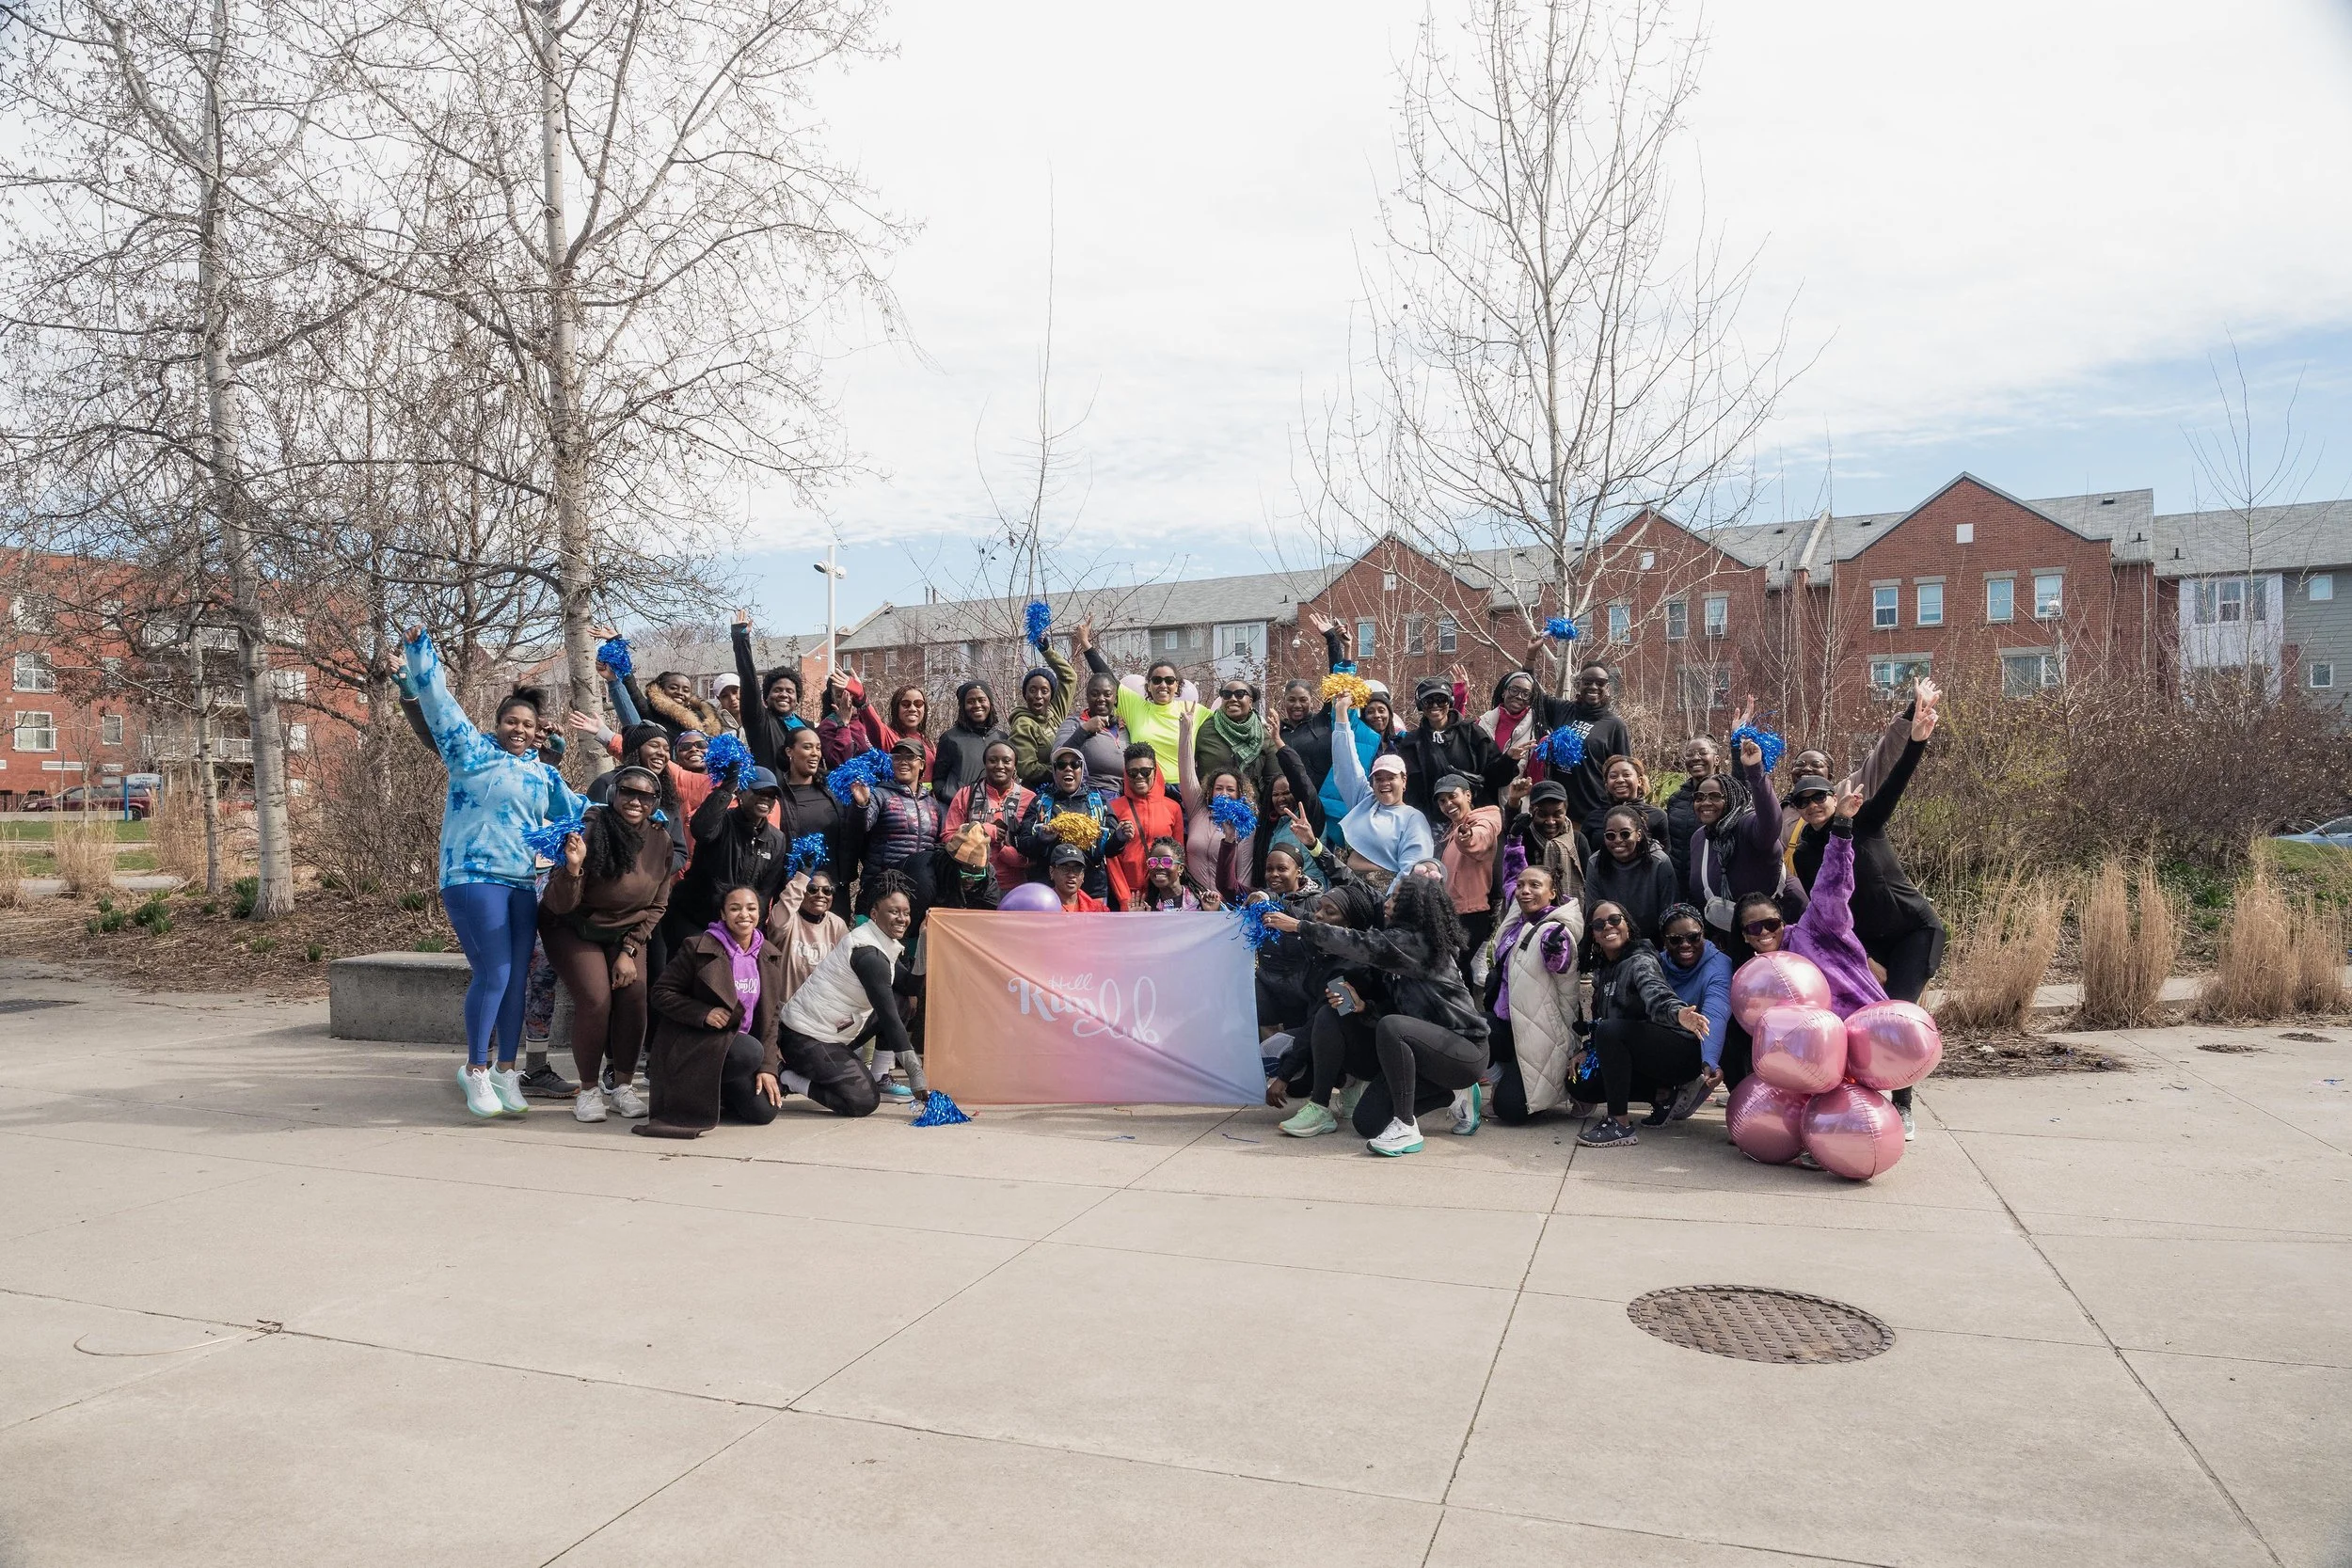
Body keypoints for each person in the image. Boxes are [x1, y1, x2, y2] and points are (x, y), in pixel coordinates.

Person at [404, 627, 586, 1119]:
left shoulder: (543, 773)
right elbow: (438, 703)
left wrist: (645, 812)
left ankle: (507, 1069)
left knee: (517, 979)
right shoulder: (470, 753)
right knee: (495, 971)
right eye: (511, 721)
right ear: (498, 723)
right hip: (472, 876)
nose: (519, 729)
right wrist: (420, 650)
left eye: (528, 724)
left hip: (521, 882)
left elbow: (581, 810)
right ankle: (476, 1070)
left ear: (538, 729)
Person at [1790, 682, 1945, 1137]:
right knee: (1868, 1017)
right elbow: (1831, 911)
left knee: (1896, 1011)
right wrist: (1862, 957)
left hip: (1915, 931)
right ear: (1797, 810)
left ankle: (1904, 1105)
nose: (1814, 805)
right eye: (1804, 801)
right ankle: (1868, 1093)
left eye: (1820, 796)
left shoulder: (1867, 823)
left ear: (1835, 797)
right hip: (1870, 942)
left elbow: (1895, 778)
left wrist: (1917, 738)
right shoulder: (1805, 855)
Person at [1262, 874, 1489, 1155]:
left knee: (1394, 1027)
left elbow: (1362, 944)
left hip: (1461, 1052)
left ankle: (1406, 1128)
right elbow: (1398, 1004)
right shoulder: (1393, 945)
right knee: (1367, 1122)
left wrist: (1300, 926)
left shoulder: (1420, 945)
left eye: (1394, 898)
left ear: (1411, 907)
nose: (1387, 902)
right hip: (1417, 1055)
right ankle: (1449, 1096)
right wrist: (1363, 1007)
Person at [538, 768, 674, 1123]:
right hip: (571, 925)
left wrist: (630, 950)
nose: (636, 801)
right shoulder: (588, 829)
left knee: (634, 996)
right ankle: (587, 1091)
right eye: (628, 792)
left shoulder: (660, 840)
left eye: (645, 796)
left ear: (654, 803)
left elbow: (657, 904)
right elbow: (559, 904)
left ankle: (622, 1086)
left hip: (625, 932)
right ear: (613, 793)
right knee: (596, 1000)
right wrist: (573, 868)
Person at [635, 884, 787, 1137]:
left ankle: (720, 1092)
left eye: (751, 908)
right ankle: (687, 1094)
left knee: (763, 1112)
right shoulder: (697, 947)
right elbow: (660, 994)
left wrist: (768, 1068)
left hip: (738, 1052)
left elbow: (771, 1018)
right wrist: (702, 1013)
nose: (744, 915)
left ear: (761, 913)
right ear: (723, 914)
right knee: (749, 1051)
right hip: (699, 1044)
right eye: (735, 908)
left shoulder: (769, 955)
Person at [774, 869, 920, 1118]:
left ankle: (880, 1076)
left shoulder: (882, 943)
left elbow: (910, 986)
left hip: (836, 1029)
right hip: (804, 1037)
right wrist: (917, 1075)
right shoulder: (868, 953)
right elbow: (888, 1017)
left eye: (906, 913)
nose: (902, 919)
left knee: (901, 1001)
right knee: (863, 1101)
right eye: (894, 912)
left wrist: (927, 945)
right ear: (874, 915)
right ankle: (788, 1078)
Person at [1578, 898, 1713, 1148]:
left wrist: (1678, 1013)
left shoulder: (1640, 960)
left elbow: (1656, 994)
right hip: (1643, 1054)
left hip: (1678, 1053)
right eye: (1599, 924)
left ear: (1627, 926)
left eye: (1615, 920)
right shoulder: (1604, 969)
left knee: (1611, 1031)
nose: (1608, 926)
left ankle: (1619, 1124)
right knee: (1579, 1083)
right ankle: (1663, 1095)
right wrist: (1585, 1050)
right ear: (1594, 935)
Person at [1689, 707, 1798, 957]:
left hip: (1779, 929)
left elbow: (1771, 823)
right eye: (1700, 797)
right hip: (1733, 936)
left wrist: (1755, 772)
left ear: (1732, 799)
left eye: (1715, 796)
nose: (1706, 802)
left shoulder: (1749, 825)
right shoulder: (1699, 839)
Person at [1482, 863, 1583, 1125]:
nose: (1525, 891)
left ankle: (1570, 1090)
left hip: (1541, 1033)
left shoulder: (1553, 929)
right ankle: (1502, 1078)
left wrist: (1555, 952)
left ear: (1552, 893)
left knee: (1510, 1113)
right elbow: (1511, 875)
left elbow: (1561, 964)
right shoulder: (1518, 922)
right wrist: (1514, 842)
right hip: (1509, 1025)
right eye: (1521, 885)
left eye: (1535, 885)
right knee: (1470, 1029)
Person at [1325, 691, 1435, 890]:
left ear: (1404, 781)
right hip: (1346, 891)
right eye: (1379, 778)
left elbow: (1412, 868)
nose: (1384, 783)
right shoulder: (1364, 800)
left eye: (1391, 778)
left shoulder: (1413, 818)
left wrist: (1390, 903)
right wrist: (1341, 712)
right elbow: (1346, 762)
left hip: (1383, 897)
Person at [1516, 652, 1631, 831]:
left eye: (1600, 683)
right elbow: (1535, 694)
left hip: (1594, 815)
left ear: (1607, 687)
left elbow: (1624, 774)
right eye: (1587, 682)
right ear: (1579, 684)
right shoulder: (1563, 710)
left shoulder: (1615, 726)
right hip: (1558, 812)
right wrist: (1530, 656)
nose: (1593, 687)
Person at [1076, 620, 1199, 783]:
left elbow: (1226, 717)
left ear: (1177, 685)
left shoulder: (1192, 709)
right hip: (1145, 785)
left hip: (1184, 791)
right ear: (1148, 685)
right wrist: (1085, 644)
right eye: (1156, 680)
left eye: (1169, 680)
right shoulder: (1136, 706)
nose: (1163, 685)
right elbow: (1108, 679)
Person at [674, 764, 787, 936]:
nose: (766, 799)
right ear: (741, 793)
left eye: (771, 795)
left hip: (737, 928)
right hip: (695, 920)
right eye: (759, 792)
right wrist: (726, 788)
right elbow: (700, 830)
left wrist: (753, 935)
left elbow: (764, 893)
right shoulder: (721, 821)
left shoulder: (777, 839)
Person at [1394, 673, 1517, 830]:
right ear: (1420, 705)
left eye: (1441, 700)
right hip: (1430, 826)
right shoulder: (1411, 744)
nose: (1435, 705)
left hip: (1474, 821)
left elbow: (1494, 777)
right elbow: (1409, 790)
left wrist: (1509, 759)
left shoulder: (1472, 733)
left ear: (1450, 701)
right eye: (1428, 701)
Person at [1014, 744, 1128, 904]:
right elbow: (1024, 845)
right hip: (1048, 889)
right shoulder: (1040, 802)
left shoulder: (1098, 802)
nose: (1068, 769)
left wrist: (1119, 838)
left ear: (1082, 770)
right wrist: (1042, 839)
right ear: (1055, 771)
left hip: (1092, 888)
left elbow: (1108, 850)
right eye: (1061, 765)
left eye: (1075, 764)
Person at [1654, 904, 1733, 1124]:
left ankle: (1695, 1081)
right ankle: (1664, 1090)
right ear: (1664, 941)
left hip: (1700, 1040)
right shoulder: (1656, 963)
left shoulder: (1718, 964)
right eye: (1676, 940)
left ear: (1703, 935)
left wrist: (1710, 1060)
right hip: (1666, 1035)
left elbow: (1715, 1014)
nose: (1686, 945)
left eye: (1693, 937)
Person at [852, 736, 943, 900]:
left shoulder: (933, 804)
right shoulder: (880, 794)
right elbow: (861, 827)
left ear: (922, 764)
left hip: (919, 887)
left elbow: (938, 845)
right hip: (884, 884)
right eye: (897, 757)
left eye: (910, 757)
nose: (903, 762)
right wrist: (862, 805)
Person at [1433, 774, 1502, 988]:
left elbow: (1478, 839)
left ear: (1468, 795)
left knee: (1456, 972)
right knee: (1459, 972)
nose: (1448, 804)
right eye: (1442, 801)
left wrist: (1467, 836)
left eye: (1452, 796)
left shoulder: (1484, 821)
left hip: (1473, 913)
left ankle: (1467, 1018)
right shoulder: (1451, 829)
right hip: (1454, 912)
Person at [1176, 708, 1249, 906]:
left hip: (1226, 907)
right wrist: (1186, 731)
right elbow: (1187, 772)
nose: (1224, 793)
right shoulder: (1198, 810)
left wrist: (1228, 905)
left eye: (1230, 789)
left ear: (1239, 794)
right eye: (1219, 788)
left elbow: (1243, 877)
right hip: (1191, 903)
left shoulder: (1246, 826)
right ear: (1210, 792)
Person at [941, 738, 1034, 894]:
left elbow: (1037, 849)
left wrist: (1019, 859)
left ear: (1015, 765)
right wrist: (981, 831)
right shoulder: (966, 794)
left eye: (1006, 761)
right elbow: (947, 838)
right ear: (985, 764)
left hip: (1015, 888)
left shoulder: (1030, 798)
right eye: (993, 760)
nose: (999, 766)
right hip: (972, 886)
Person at [727, 612, 810, 784]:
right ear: (766, 697)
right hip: (772, 798)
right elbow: (749, 680)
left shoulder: (809, 728)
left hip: (804, 799)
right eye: (777, 690)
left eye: (790, 691)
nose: (784, 695)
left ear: (797, 698)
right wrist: (741, 639)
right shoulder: (759, 721)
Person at [1104, 741, 1185, 910]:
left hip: (1163, 895)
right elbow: (1112, 859)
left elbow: (1178, 856)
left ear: (1155, 771)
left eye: (1145, 771)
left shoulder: (1173, 808)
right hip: (1129, 898)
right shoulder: (1114, 807)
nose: (1139, 777)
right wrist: (1124, 900)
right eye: (1132, 772)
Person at [1583, 802, 1680, 942]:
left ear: (1638, 835)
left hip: (1654, 941)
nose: (1618, 840)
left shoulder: (1659, 862)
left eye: (1625, 834)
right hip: (1612, 938)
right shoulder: (1595, 863)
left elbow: (1670, 912)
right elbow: (1595, 913)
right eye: (1610, 836)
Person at [1496, 777, 1587, 911]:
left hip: (1569, 915)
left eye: (1557, 814)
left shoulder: (1577, 840)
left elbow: (1588, 883)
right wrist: (1514, 801)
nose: (1550, 821)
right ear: (1532, 811)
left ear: (1566, 811)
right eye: (1543, 815)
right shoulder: (1524, 837)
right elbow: (1511, 834)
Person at [1009, 624, 1084, 786]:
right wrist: (1064, 769)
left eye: (1044, 691)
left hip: (1065, 788)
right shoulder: (1023, 723)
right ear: (1025, 694)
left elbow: (1069, 677)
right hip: (1040, 793)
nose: (1038, 696)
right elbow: (1026, 769)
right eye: (1032, 690)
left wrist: (1046, 650)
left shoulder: (1054, 713)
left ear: (1051, 695)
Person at [1193, 673, 1279, 805]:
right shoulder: (1205, 729)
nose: (1232, 699)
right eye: (1226, 694)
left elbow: (1273, 779)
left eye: (1239, 694)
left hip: (1251, 812)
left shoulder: (1263, 734)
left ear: (1250, 702)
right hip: (1210, 810)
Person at [1249, 751, 1325, 890]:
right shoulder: (1269, 828)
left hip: (1310, 896)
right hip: (1278, 898)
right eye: (1275, 794)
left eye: (1286, 793)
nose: (1281, 798)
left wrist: (1279, 745)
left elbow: (1301, 780)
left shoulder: (1310, 817)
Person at [930, 679, 1009, 805]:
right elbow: (938, 779)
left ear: (990, 703)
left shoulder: (1002, 738)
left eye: (981, 700)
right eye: (970, 702)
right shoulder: (950, 738)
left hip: (995, 809)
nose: (977, 705)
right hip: (959, 809)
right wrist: (950, 798)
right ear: (963, 706)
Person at [774, 867, 847, 1000]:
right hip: (784, 1009)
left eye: (827, 890)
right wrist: (801, 879)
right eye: (812, 889)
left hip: (819, 1010)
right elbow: (778, 922)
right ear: (802, 892)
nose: (820, 895)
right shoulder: (789, 920)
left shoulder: (837, 925)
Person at [1662, 736, 1722, 887]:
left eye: (1703, 753)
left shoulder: (1726, 795)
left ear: (1716, 760)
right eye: (1690, 754)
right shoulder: (1676, 799)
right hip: (1678, 884)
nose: (1696, 758)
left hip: (1713, 884)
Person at [1585, 753, 1667, 848]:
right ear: (1606, 784)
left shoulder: (1657, 816)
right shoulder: (1594, 817)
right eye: (1613, 776)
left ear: (1639, 781)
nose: (1620, 780)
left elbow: (1665, 857)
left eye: (1626, 775)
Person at [1474, 670, 1543, 771]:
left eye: (1526, 694)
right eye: (1514, 690)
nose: (1519, 696)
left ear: (1530, 699)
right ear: (1503, 692)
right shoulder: (1482, 723)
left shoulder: (1537, 728)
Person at [1129, 835, 1212, 911]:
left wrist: (1212, 913)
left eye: (1166, 861)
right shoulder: (1148, 907)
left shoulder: (1202, 901)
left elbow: (1221, 924)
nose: (1158, 866)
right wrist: (1138, 920)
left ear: (1180, 868)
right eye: (1153, 862)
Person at [1047, 842, 1108, 911]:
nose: (1071, 875)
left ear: (1083, 875)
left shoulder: (1098, 911)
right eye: (1064, 869)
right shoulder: (1041, 907)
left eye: (1077, 869)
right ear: (1052, 871)